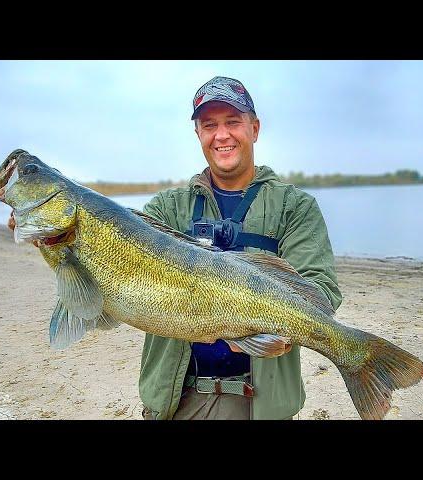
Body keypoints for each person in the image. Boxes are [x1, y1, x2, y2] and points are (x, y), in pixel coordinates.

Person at [138, 76, 342, 420]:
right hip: (177, 402)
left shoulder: (295, 207)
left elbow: (320, 292)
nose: (222, 135)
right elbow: (118, 275)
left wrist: (260, 327)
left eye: (233, 122)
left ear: (255, 128)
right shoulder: (166, 209)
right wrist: (58, 246)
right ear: (198, 134)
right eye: (209, 125)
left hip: (261, 406)